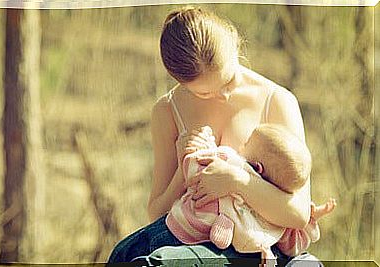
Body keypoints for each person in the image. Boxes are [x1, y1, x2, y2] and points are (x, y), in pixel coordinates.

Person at [107, 6, 321, 265]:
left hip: (252, 243)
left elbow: (297, 213)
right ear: (180, 82)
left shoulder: (277, 101)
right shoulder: (167, 110)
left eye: (229, 81)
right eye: (205, 94)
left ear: (234, 41)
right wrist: (183, 169)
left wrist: (237, 181)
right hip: (187, 238)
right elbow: (157, 213)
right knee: (122, 254)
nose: (225, 95)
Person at [167, 124, 336, 263]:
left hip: (182, 231)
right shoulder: (272, 216)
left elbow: (196, 170)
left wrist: (193, 149)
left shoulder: (230, 162)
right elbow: (292, 245)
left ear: (257, 167)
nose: (241, 145)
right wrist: (311, 220)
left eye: (247, 143)